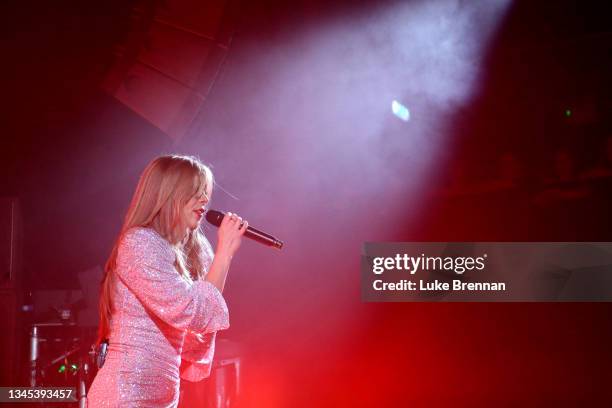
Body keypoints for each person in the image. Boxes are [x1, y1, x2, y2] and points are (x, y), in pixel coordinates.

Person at [87, 155, 247, 407]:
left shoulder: (187, 250)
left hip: (163, 396)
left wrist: (213, 255)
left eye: (205, 192)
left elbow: (202, 323)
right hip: (126, 395)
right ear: (168, 194)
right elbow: (195, 311)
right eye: (195, 192)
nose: (204, 200)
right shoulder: (139, 242)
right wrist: (225, 251)